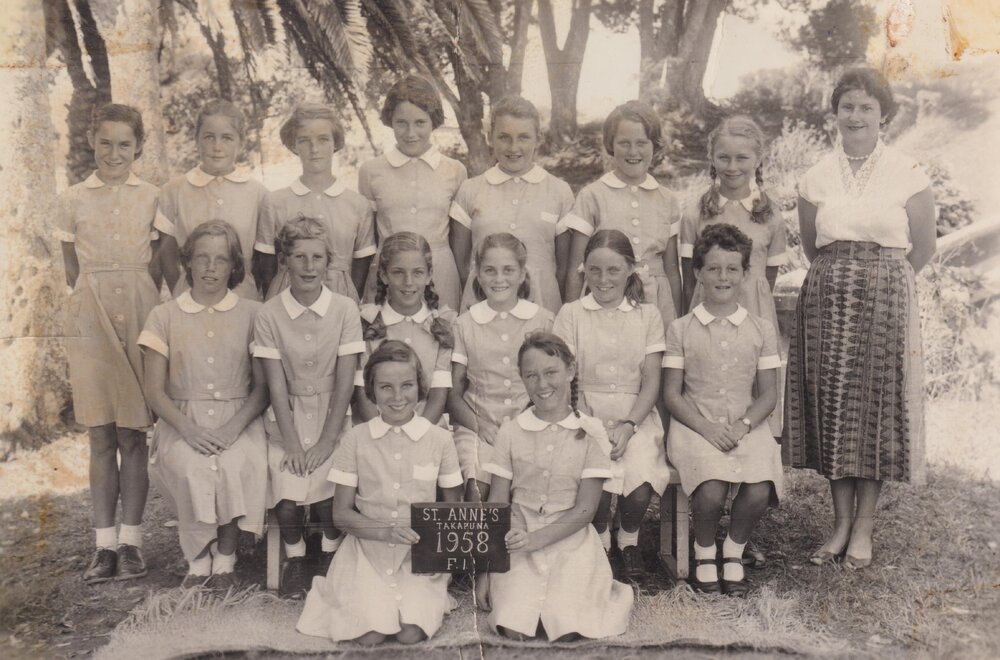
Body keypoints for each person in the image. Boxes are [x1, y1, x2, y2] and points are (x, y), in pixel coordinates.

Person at [784, 67, 936, 570]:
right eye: (847, 105)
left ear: (883, 115)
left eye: (866, 107)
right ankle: (840, 524)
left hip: (885, 301)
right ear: (835, 112)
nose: (855, 115)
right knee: (832, 409)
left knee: (871, 412)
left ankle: (864, 528)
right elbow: (811, 246)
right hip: (826, 299)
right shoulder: (816, 175)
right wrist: (842, 279)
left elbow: (924, 246)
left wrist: (882, 283)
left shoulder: (907, 172)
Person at [55, 103, 166, 584]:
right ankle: (103, 547)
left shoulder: (154, 197)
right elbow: (71, 268)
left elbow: (161, 261)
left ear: (139, 146)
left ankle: (132, 543)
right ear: (90, 142)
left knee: (133, 435)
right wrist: (93, 305)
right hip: (91, 318)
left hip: (140, 314)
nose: (114, 152)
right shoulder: (72, 199)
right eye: (105, 143)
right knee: (101, 434)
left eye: (125, 144)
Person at [296, 341, 464, 644]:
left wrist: (437, 556)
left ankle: (427, 598)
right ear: (371, 391)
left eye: (407, 386)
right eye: (386, 387)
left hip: (419, 556)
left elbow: (453, 511)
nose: (397, 397)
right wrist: (385, 531)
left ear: (420, 387)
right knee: (370, 634)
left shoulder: (440, 439)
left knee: (410, 633)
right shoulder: (356, 439)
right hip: (366, 553)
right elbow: (342, 514)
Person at [478, 332, 633, 640]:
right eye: (531, 375)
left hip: (570, 539)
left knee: (567, 627)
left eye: (551, 373)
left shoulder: (590, 432)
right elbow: (497, 504)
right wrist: (485, 570)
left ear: (570, 371)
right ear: (522, 378)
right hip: (517, 538)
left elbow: (586, 509)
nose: (542, 384)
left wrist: (539, 539)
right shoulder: (511, 431)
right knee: (514, 625)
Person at [139, 221, 268, 589]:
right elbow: (154, 391)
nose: (211, 268)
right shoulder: (164, 316)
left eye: (221, 260)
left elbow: (262, 389)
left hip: (239, 418)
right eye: (202, 258)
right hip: (183, 419)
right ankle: (197, 559)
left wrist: (231, 429)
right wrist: (189, 430)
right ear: (188, 263)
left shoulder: (253, 314)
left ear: (233, 267)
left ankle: (225, 560)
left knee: (234, 462)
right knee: (191, 465)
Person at [663, 224, 782, 596]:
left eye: (732, 269)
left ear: (746, 274)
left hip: (744, 424)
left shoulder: (761, 329)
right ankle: (703, 552)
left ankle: (732, 550)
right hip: (694, 423)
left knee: (760, 488)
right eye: (713, 269)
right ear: (697, 273)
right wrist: (707, 428)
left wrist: (744, 425)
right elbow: (671, 395)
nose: (722, 277)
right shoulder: (681, 329)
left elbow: (767, 396)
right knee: (711, 490)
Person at [253, 217, 363, 596]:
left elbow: (347, 381)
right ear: (284, 261)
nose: (309, 266)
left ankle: (330, 554)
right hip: (286, 422)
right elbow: (274, 384)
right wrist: (295, 444)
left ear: (329, 260)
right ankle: (296, 557)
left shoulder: (346, 309)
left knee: (329, 499)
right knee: (287, 496)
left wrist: (326, 442)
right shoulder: (268, 314)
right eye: (299, 257)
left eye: (317, 257)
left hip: (335, 419)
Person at [553, 229, 671, 579]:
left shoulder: (647, 316)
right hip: (584, 413)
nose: (603, 280)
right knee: (598, 486)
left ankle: (629, 538)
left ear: (631, 270)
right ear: (584, 271)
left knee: (639, 485)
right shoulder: (572, 314)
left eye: (613, 271)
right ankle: (601, 538)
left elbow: (651, 379)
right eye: (595, 271)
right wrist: (588, 423)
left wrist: (630, 424)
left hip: (635, 415)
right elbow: (565, 377)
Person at [681, 115, 787, 438]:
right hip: (707, 309)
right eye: (723, 157)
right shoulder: (695, 212)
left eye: (742, 158)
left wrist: (752, 303)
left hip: (754, 306)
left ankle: (756, 456)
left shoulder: (770, 214)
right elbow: (690, 276)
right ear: (712, 159)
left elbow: (767, 277)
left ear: (758, 161)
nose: (732, 166)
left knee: (754, 381)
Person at [449, 233, 555, 501]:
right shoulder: (465, 324)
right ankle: (483, 542)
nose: (499, 279)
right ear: (478, 275)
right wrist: (479, 425)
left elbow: (552, 384)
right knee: (477, 488)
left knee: (531, 483)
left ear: (522, 274)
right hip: (479, 425)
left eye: (508, 270)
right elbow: (453, 391)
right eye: (490, 271)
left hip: (531, 422)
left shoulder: (542, 320)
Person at [563, 100, 682, 334]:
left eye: (641, 143)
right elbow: (576, 268)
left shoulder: (667, 200)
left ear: (654, 146)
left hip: (657, 303)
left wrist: (678, 325)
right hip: (604, 297)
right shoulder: (592, 195)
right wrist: (570, 318)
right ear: (611, 145)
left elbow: (671, 270)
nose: (633, 151)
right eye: (624, 143)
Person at [449, 95, 574, 312]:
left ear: (539, 138)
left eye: (524, 137)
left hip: (542, 307)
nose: (513, 147)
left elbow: (563, 268)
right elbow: (461, 266)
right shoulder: (470, 190)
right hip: (483, 308)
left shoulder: (559, 192)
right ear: (490, 138)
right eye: (504, 137)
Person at [358, 75, 467, 309]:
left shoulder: (455, 171)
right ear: (390, 121)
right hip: (390, 274)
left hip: (440, 272)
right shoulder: (371, 171)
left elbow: (459, 240)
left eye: (420, 122)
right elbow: (370, 237)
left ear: (433, 122)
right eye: (401, 123)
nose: (410, 133)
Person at [254, 102, 375, 302]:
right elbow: (266, 263)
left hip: (340, 297)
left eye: (323, 140)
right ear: (294, 145)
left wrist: (350, 301)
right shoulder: (275, 202)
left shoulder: (357, 204)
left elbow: (362, 263)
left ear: (335, 143)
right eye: (304, 141)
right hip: (287, 297)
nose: (314, 149)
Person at [158, 99, 268, 300]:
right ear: (197, 139)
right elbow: (166, 254)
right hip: (190, 298)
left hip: (242, 299)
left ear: (241, 142)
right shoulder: (173, 191)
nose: (217, 147)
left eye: (227, 138)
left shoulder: (258, 194)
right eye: (209, 137)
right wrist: (182, 291)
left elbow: (264, 259)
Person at [355, 232, 455, 424]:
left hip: (427, 429)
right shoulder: (367, 322)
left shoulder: (442, 324)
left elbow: (438, 394)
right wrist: (384, 435)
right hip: (375, 429)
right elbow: (362, 393)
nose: (408, 282)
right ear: (384, 275)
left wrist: (417, 435)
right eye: (398, 272)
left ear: (429, 275)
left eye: (417, 272)